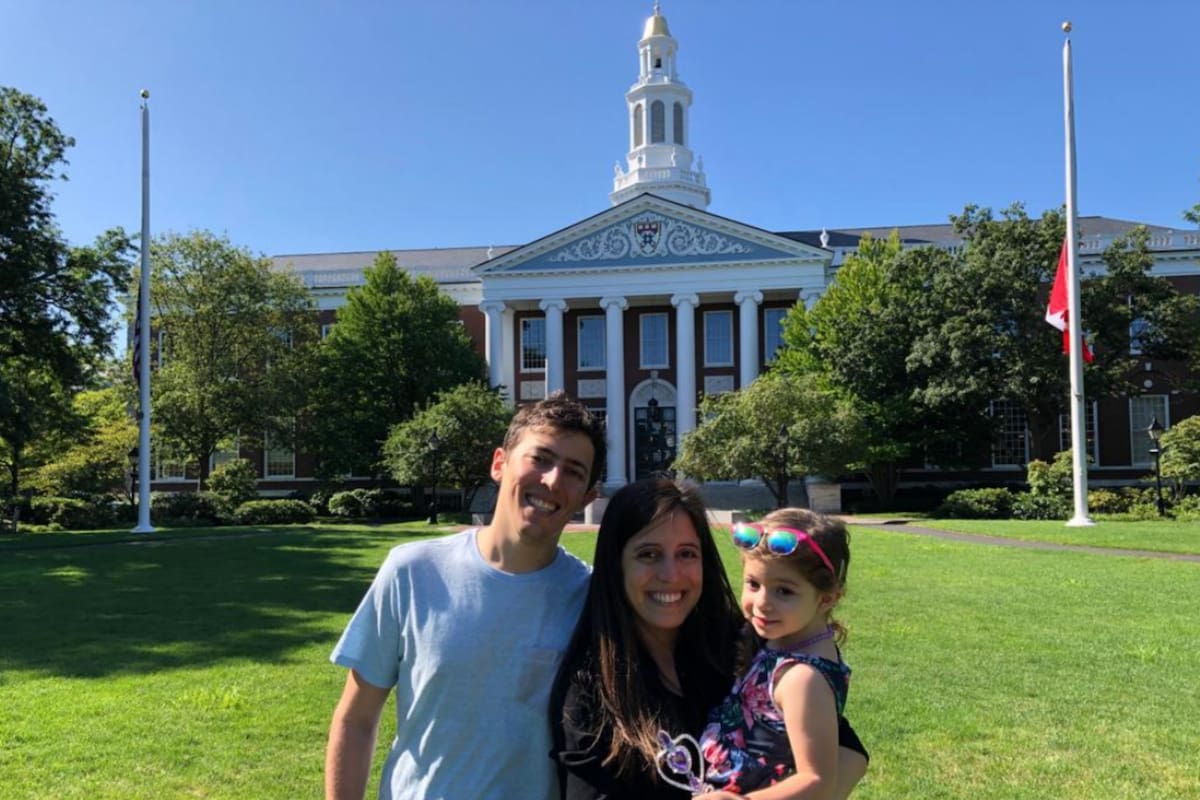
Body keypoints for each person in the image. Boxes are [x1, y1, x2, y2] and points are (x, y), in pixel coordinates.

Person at [325, 393, 607, 800]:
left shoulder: (591, 599)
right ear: (499, 463)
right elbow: (358, 719)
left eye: (574, 471)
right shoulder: (411, 571)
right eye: (540, 458)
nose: (552, 480)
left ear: (587, 496)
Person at [550, 483, 868, 800]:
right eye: (648, 554)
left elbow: (848, 754)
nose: (671, 575)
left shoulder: (743, 644)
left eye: (687, 553)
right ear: (616, 565)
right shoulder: (590, 691)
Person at [696, 509, 859, 799]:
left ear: (827, 598)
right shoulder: (785, 638)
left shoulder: (802, 679)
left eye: (783, 591)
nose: (762, 603)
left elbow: (817, 781)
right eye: (753, 584)